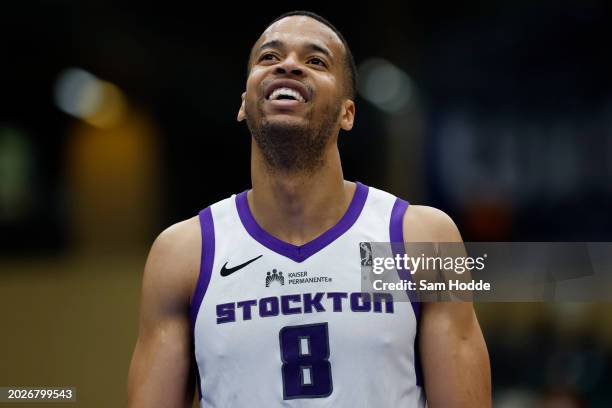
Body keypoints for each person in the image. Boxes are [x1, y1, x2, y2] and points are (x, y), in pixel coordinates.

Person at [127, 10, 491, 407]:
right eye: (269, 57)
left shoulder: (417, 237)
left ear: (347, 113)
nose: (287, 65)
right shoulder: (186, 253)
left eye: (315, 61)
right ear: (244, 104)